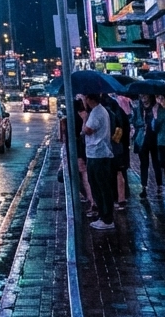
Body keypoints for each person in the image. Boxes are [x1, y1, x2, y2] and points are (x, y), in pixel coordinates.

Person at [83, 93, 115, 230]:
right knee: (99, 186)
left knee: (101, 187)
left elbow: (88, 130)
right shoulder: (99, 111)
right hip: (97, 153)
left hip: (98, 154)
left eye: (85, 98)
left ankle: (107, 219)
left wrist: (84, 119)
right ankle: (104, 216)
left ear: (90, 99)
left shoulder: (97, 112)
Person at [132, 94, 161, 198]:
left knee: (156, 163)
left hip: (154, 138)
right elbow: (133, 121)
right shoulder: (137, 108)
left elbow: (158, 123)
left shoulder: (155, 107)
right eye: (140, 95)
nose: (142, 97)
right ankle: (144, 187)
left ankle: (159, 186)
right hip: (142, 139)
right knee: (144, 164)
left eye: (145, 95)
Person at [74, 99, 96, 216]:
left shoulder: (81, 115)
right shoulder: (87, 114)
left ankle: (92, 201)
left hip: (80, 146)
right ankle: (91, 199)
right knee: (84, 173)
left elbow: (84, 131)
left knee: (83, 173)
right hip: (83, 146)